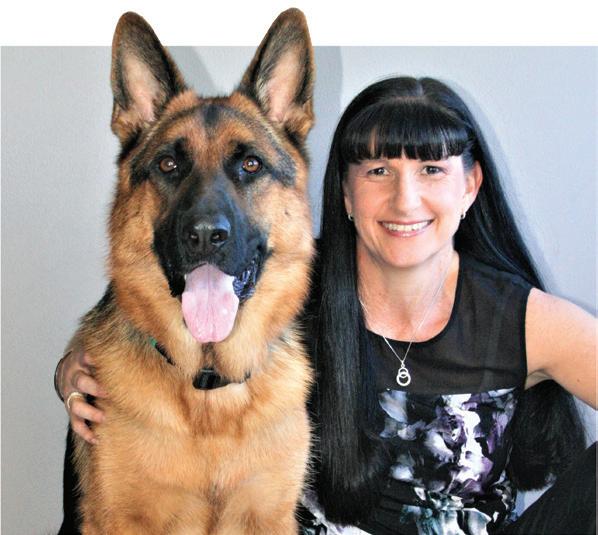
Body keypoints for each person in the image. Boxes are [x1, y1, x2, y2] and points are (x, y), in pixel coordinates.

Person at [55, 77, 597, 535]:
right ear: (345, 192)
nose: (405, 199)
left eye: (432, 169)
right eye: (378, 171)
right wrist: (70, 373)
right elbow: (139, 316)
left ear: (470, 186)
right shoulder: (280, 293)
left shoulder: (521, 318)